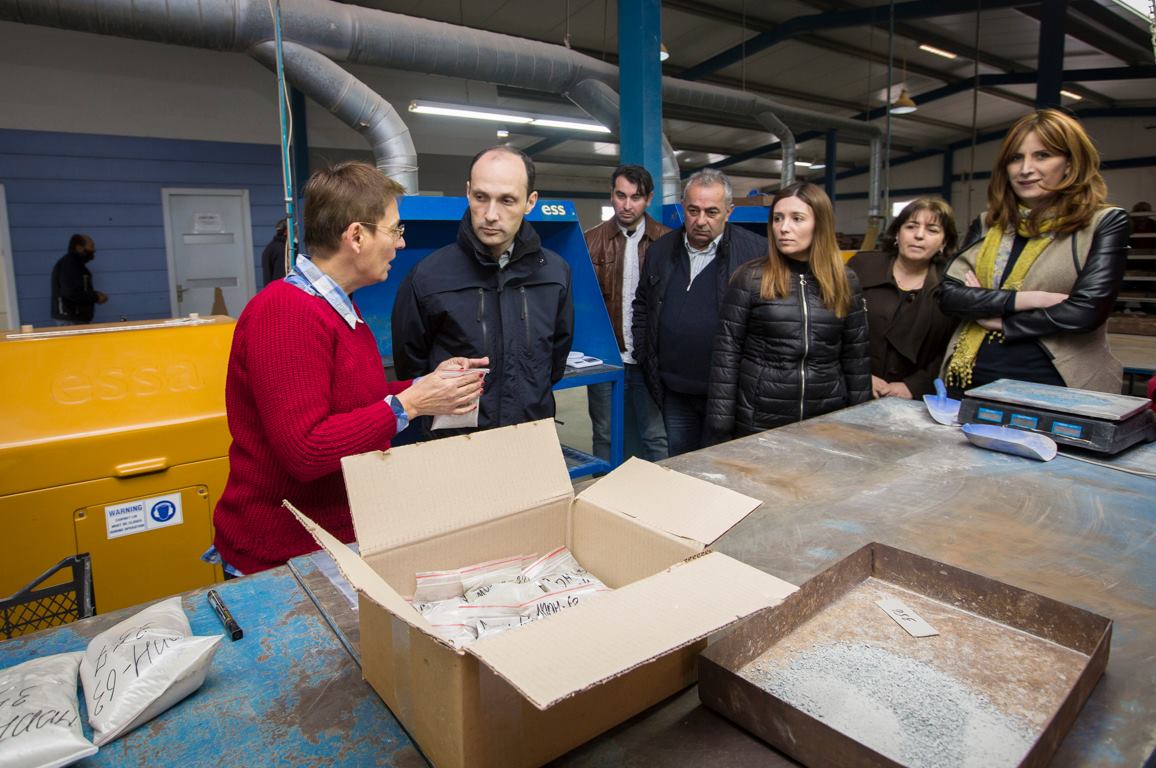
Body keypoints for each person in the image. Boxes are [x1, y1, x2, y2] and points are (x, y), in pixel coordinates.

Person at [212, 162, 486, 576]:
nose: (401, 242)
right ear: (356, 236)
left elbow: (350, 401)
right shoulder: (285, 313)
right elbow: (306, 450)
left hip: (329, 542)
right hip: (282, 558)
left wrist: (428, 386)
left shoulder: (337, 308)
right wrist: (410, 404)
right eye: (394, 230)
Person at [937, 108, 1131, 395]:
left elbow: (1086, 312)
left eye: (1042, 155)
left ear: (1070, 163)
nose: (1025, 169)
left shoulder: (1104, 222)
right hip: (965, 383)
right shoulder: (988, 223)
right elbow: (949, 296)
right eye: (1016, 158)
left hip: (1055, 389)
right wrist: (1030, 299)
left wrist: (1000, 321)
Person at [392, 146, 574, 434]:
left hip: (531, 434)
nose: (490, 214)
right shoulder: (428, 277)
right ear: (468, 192)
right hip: (456, 442)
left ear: (530, 202)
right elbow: (411, 367)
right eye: (481, 197)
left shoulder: (555, 273)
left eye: (507, 200)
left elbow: (555, 361)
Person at [707, 182, 871, 441]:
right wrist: (720, 423)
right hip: (760, 420)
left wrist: (860, 420)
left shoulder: (845, 281)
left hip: (825, 420)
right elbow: (727, 354)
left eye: (797, 218)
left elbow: (856, 357)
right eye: (778, 218)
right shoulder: (750, 278)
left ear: (820, 224)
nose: (783, 228)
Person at [632, 169, 767, 457]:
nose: (701, 220)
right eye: (693, 210)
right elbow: (642, 304)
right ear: (683, 207)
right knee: (681, 461)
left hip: (727, 393)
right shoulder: (660, 251)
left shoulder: (755, 255)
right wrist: (644, 352)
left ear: (729, 212)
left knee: (721, 464)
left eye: (712, 212)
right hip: (674, 390)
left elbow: (765, 323)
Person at [584, 165, 671, 462]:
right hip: (607, 358)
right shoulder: (590, 241)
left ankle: (661, 490)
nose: (627, 205)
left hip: (650, 360)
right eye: (621, 196)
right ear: (611, 195)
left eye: (636, 197)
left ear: (649, 199)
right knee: (605, 435)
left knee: (655, 436)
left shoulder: (668, 242)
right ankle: (603, 489)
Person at [849, 198, 959, 400]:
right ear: (897, 233)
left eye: (932, 230)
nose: (919, 235)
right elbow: (832, 327)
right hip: (851, 388)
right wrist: (859, 374)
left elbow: (953, 347)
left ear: (944, 242)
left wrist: (915, 386)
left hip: (913, 400)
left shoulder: (952, 285)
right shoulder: (862, 267)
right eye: (911, 226)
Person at [50, 234, 107, 324]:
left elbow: (79, 289)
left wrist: (94, 294)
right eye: (91, 246)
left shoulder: (77, 265)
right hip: (70, 318)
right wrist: (96, 297)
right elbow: (70, 292)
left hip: (74, 317)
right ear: (79, 248)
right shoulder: (70, 265)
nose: (94, 250)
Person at [262, 218, 289, 286]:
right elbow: (281, 273)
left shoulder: (271, 247)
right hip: (281, 288)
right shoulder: (282, 249)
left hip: (272, 288)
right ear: (285, 232)